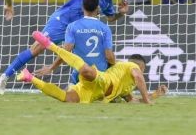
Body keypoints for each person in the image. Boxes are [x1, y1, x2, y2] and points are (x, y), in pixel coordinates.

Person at [0, 0, 130, 94]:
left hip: (78, 28)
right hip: (63, 20)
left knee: (78, 54)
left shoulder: (108, 1)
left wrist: (121, 13)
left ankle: (76, 88)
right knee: (37, 49)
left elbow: (111, 18)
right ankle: (5, 76)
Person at [17, 31, 168, 104]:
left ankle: (29, 77)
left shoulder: (126, 88)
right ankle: (50, 45)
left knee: (66, 98)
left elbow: (133, 101)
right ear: (141, 66)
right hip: (103, 80)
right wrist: (148, 100)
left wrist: (154, 96)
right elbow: (138, 76)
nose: (142, 73)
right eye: (143, 70)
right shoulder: (132, 66)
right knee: (85, 70)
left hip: (92, 92)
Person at [35, 0, 115, 84]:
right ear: (97, 8)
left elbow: (66, 52)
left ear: (82, 8)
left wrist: (51, 68)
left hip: (81, 74)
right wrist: (113, 66)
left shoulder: (72, 26)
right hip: (101, 75)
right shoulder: (105, 28)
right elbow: (109, 56)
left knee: (68, 95)